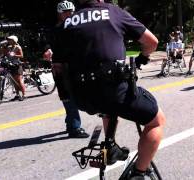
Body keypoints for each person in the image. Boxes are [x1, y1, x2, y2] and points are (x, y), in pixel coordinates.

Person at [62, 0, 166, 179]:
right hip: (113, 90)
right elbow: (152, 42)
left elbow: (59, 62)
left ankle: (109, 146)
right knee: (156, 121)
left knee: (108, 106)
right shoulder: (113, 12)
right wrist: (143, 57)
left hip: (81, 97)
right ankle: (138, 173)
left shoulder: (67, 22)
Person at [47, 0, 89, 138]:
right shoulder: (55, 30)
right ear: (59, 14)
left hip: (74, 66)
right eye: (65, 12)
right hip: (61, 68)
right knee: (68, 96)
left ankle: (70, 122)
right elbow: (47, 44)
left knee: (73, 95)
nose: (69, 14)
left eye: (71, 11)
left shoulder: (77, 27)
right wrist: (47, 50)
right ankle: (74, 127)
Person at [5, 35, 26, 101]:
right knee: (14, 82)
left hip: (17, 65)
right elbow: (5, 54)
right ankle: (17, 95)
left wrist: (14, 55)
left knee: (19, 81)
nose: (9, 41)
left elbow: (21, 56)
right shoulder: (9, 47)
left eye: (10, 40)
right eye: (9, 40)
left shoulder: (18, 47)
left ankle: (23, 95)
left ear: (14, 41)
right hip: (11, 65)